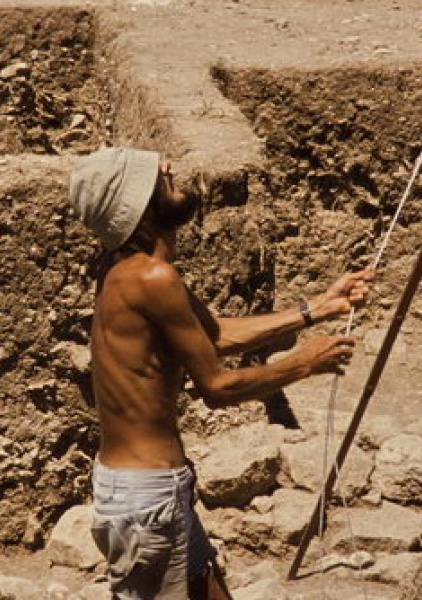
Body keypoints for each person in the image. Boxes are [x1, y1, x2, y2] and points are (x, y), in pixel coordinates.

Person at [69, 147, 374, 600]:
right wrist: (305, 364)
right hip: (148, 499)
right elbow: (217, 386)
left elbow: (212, 336)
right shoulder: (152, 278)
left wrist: (316, 309)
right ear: (137, 202)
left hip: (151, 491)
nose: (168, 168)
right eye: (154, 172)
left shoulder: (133, 273)